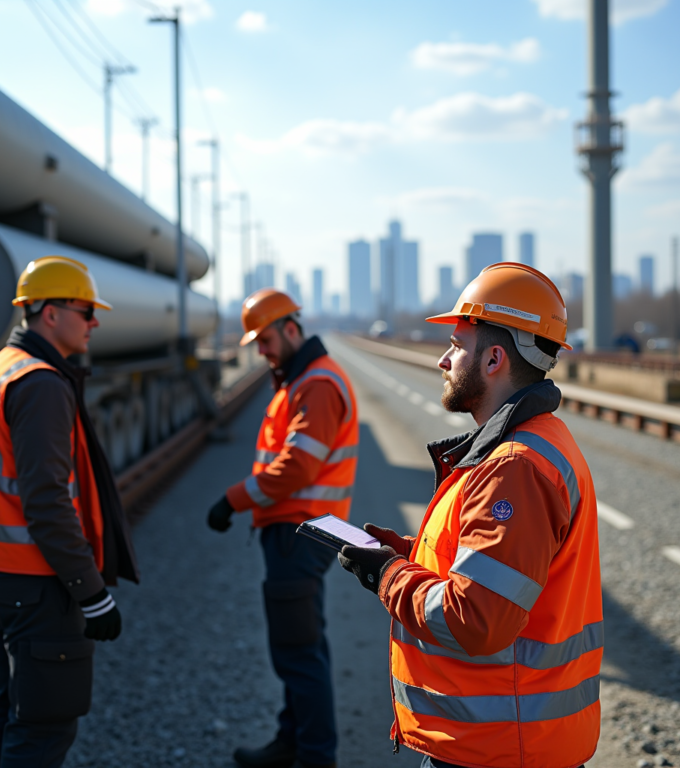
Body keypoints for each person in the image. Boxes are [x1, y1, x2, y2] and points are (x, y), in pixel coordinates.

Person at [338, 263, 602, 768]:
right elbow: (499, 574)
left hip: (498, 748)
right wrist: (409, 556)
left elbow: (475, 619)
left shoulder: (514, 468)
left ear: (494, 359)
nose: (443, 359)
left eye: (457, 346)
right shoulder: (535, 443)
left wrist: (389, 576)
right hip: (507, 742)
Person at [0, 255, 139, 768]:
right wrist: (92, 593)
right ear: (50, 313)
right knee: (43, 728)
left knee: (11, 709)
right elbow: (47, 502)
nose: (94, 322)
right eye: (86, 311)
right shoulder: (40, 383)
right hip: (37, 582)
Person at [207, 288, 359, 768]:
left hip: (301, 532)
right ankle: (292, 741)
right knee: (302, 645)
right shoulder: (301, 379)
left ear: (291, 329)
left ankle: (314, 756)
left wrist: (231, 500)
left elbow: (297, 467)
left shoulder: (316, 384)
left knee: (298, 652)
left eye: (266, 340)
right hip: (298, 530)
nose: (262, 351)